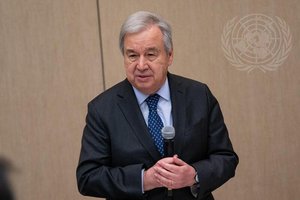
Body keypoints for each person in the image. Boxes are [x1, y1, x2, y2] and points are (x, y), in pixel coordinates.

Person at [76, 11, 238, 200]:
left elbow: (226, 158)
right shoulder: (102, 109)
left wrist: (194, 175)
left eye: (151, 54)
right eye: (132, 55)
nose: (141, 65)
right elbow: (88, 177)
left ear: (169, 56)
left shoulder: (199, 95)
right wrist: (144, 179)